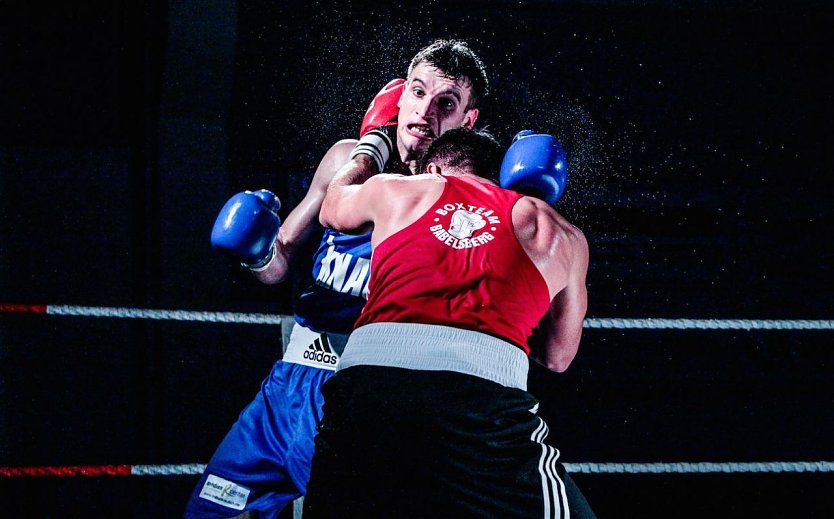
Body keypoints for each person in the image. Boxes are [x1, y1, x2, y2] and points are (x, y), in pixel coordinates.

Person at [185, 39, 489, 519]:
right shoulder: (344, 159)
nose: (425, 111)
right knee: (212, 510)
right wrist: (256, 251)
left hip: (362, 396)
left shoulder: (463, 198)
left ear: (467, 120)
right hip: (285, 387)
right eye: (417, 92)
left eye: (445, 103)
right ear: (400, 94)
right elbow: (281, 259)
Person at [303, 127, 592, 518]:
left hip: (367, 387)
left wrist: (372, 147)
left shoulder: (399, 189)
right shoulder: (555, 230)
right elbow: (558, 356)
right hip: (481, 401)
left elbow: (332, 204)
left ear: (433, 169)